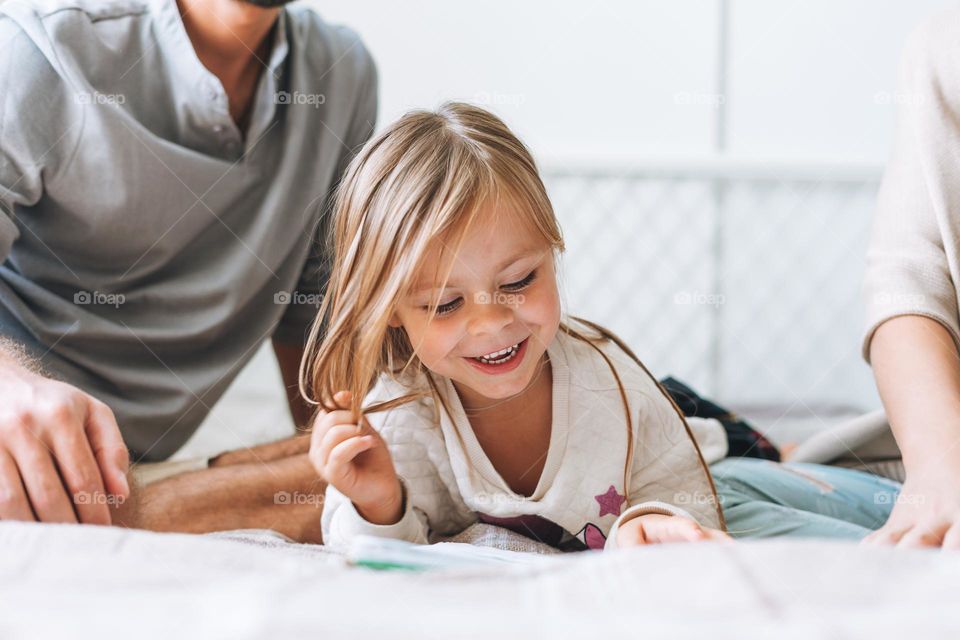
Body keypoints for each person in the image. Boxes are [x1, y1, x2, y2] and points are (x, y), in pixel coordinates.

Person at [305, 103, 900, 551]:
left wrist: (651, 523)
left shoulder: (607, 381)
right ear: (393, 316)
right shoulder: (397, 419)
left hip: (715, 459)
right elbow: (382, 565)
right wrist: (380, 504)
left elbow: (685, 497)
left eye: (518, 282)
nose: (490, 322)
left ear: (553, 252)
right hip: (723, 464)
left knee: (887, 525)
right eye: (443, 305)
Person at [0, 0, 375, 541]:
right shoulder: (39, 50)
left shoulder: (341, 73)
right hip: (21, 436)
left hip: (138, 469)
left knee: (399, 459)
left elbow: (312, 302)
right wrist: (12, 385)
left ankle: (133, 510)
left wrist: (331, 452)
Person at [862, 12, 960, 549]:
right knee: (727, 488)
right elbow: (908, 282)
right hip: (936, 457)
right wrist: (941, 469)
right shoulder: (945, 48)